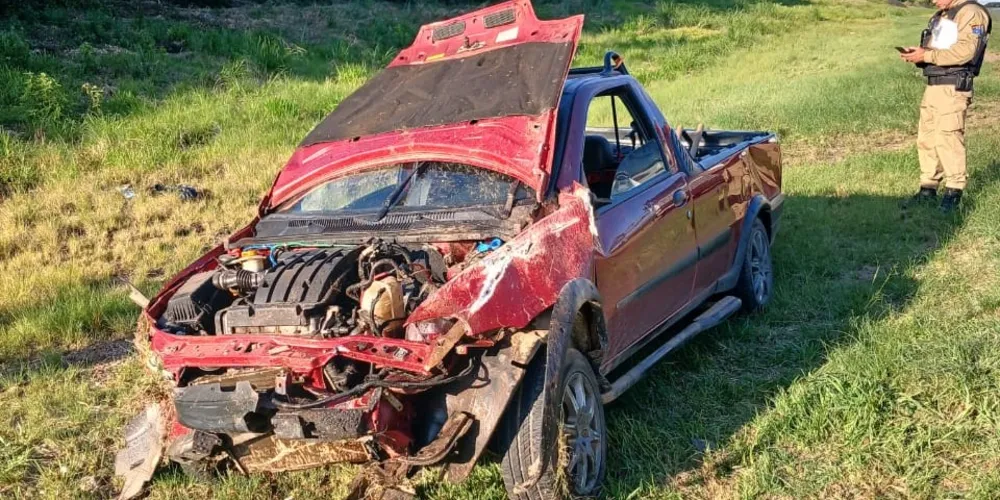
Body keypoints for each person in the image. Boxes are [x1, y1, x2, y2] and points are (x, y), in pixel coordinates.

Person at [900, 0, 992, 212]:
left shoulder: (971, 12)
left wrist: (927, 55)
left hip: (953, 87)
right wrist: (919, 53)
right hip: (934, 85)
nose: (932, 0)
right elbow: (940, 48)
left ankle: (954, 192)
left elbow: (966, 52)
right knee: (927, 138)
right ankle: (928, 188)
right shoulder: (944, 14)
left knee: (948, 137)